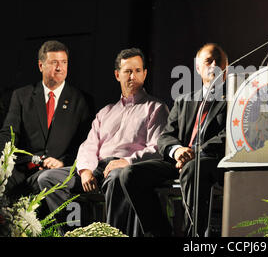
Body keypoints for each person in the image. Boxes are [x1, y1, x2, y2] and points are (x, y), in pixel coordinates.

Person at [37, 48, 169, 235]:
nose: (133, 76)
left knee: (117, 177)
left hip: (126, 169)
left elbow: (157, 147)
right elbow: (89, 145)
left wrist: (127, 161)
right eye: (128, 71)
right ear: (117, 75)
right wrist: (85, 171)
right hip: (98, 168)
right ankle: (77, 234)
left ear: (145, 74)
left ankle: (114, 234)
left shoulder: (155, 108)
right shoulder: (106, 111)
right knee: (48, 178)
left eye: (138, 71)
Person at [119, 43, 228, 237]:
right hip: (179, 160)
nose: (214, 65)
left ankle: (190, 236)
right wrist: (177, 151)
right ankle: (160, 233)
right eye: (209, 60)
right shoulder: (183, 101)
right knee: (129, 174)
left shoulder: (235, 100)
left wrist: (195, 152)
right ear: (197, 67)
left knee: (193, 168)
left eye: (219, 61)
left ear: (227, 67)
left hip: (211, 162)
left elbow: (228, 136)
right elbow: (166, 136)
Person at [0, 40, 91, 203]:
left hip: (59, 170)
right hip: (23, 169)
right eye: (54, 62)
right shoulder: (22, 96)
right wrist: (21, 161)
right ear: (41, 66)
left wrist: (63, 162)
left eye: (64, 62)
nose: (60, 68)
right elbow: (8, 135)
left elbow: (86, 143)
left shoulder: (81, 100)